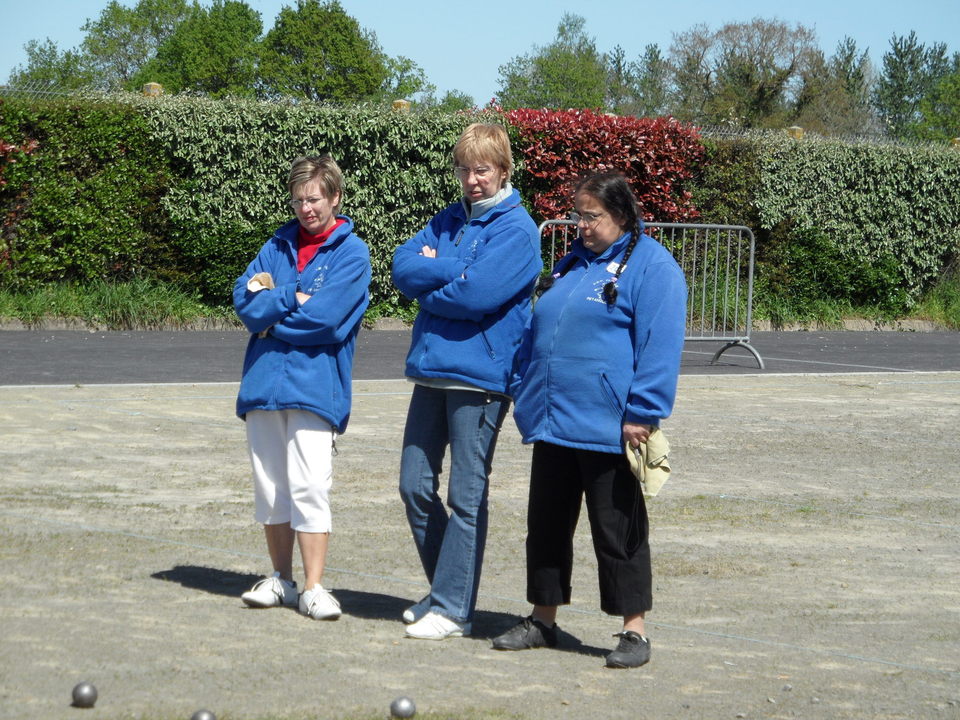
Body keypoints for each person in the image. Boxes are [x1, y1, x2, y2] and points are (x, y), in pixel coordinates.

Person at [491, 171, 687, 668]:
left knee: (617, 530)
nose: (581, 224)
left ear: (621, 215)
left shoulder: (653, 266)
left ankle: (633, 631)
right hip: (554, 422)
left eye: (591, 215)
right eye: (578, 214)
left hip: (611, 425)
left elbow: (660, 346)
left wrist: (642, 411)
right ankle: (543, 619)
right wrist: (524, 386)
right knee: (547, 527)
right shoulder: (570, 264)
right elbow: (541, 330)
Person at [391, 123, 542, 640]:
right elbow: (403, 266)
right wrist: (454, 269)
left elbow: (476, 297)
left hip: (481, 378)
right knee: (413, 484)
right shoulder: (448, 218)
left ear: (502, 170)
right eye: (464, 169)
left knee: (465, 495)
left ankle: (454, 609)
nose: (472, 179)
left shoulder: (518, 229)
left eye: (482, 169)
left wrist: (437, 282)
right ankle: (445, 592)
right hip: (432, 370)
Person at [233, 155, 371, 622]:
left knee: (310, 485)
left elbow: (328, 321)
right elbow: (245, 304)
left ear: (334, 197)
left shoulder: (353, 254)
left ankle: (314, 586)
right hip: (264, 386)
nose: (306, 208)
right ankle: (280, 579)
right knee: (271, 488)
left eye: (314, 199)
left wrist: (272, 320)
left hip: (315, 388)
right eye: (298, 200)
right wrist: (291, 296)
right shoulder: (276, 245)